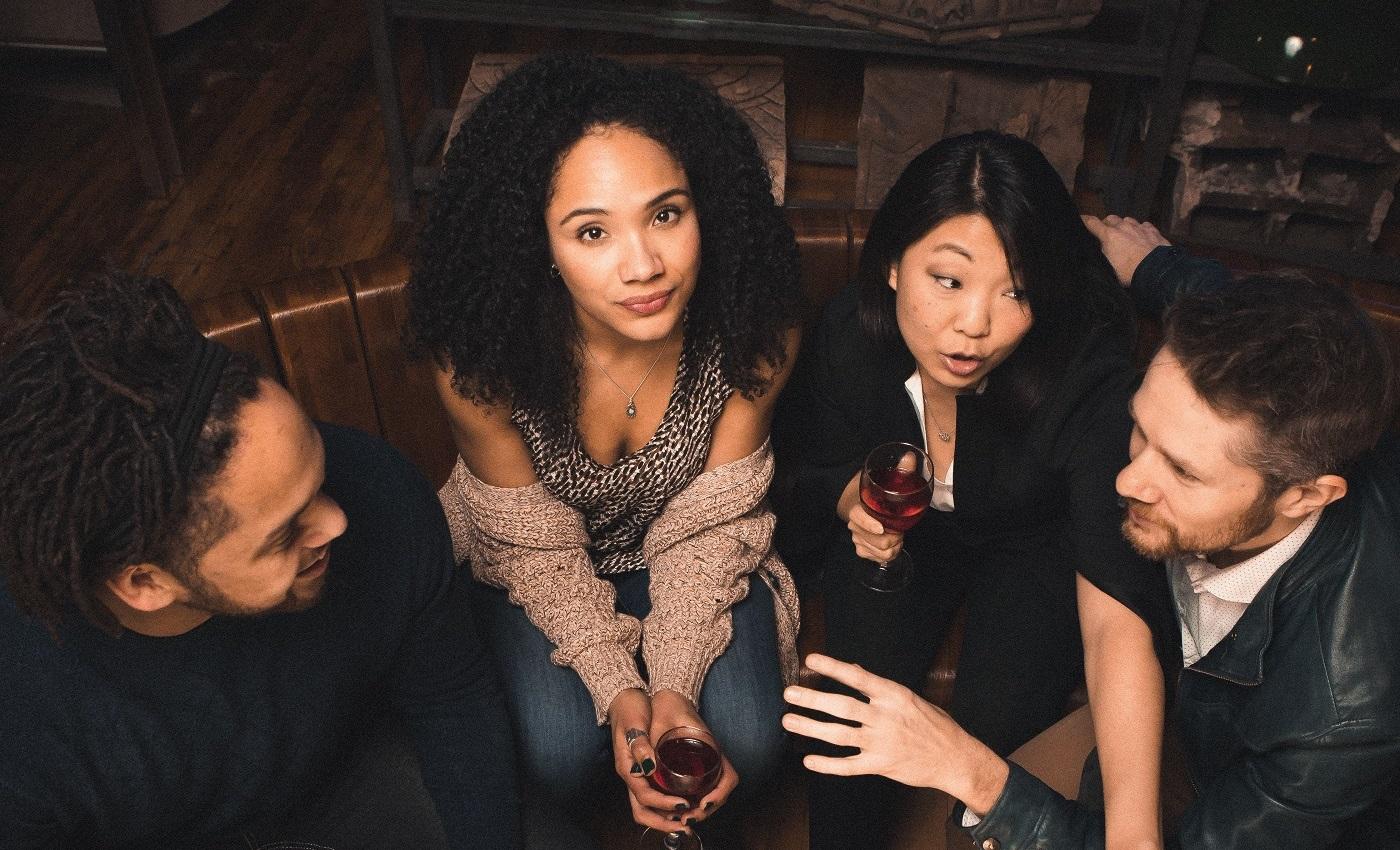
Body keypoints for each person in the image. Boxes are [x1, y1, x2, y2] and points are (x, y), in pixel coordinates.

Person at [783, 254, 1400, 849]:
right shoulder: (1232, 355)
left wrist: (968, 768)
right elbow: (1205, 290)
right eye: (1140, 428)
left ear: (1306, 496)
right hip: (1178, 708)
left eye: (1183, 472)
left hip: (1239, 790)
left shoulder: (1340, 715)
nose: (1129, 481)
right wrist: (1152, 262)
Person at [407, 54, 803, 848]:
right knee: (558, 753)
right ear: (537, 242)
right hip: (538, 561)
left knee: (751, 742)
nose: (643, 265)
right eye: (592, 231)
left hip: (694, 551)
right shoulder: (481, 356)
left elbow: (713, 526)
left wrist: (677, 687)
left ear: (706, 209)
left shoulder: (756, 326)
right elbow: (532, 547)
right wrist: (623, 692)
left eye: (666, 215)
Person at [0, 271, 521, 850]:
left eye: (318, 474)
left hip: (356, 773)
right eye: (281, 535)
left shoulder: (378, 491)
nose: (336, 522)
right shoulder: (24, 719)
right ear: (145, 582)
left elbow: (452, 702)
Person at [772, 132, 1178, 850]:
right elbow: (808, 467)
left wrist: (1133, 835)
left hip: (1034, 544)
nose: (975, 326)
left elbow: (1117, 615)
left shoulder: (1088, 373)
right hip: (901, 539)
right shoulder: (850, 337)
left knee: (997, 739)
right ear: (894, 264)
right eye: (949, 280)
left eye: (1015, 290)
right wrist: (850, 506)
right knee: (848, 715)